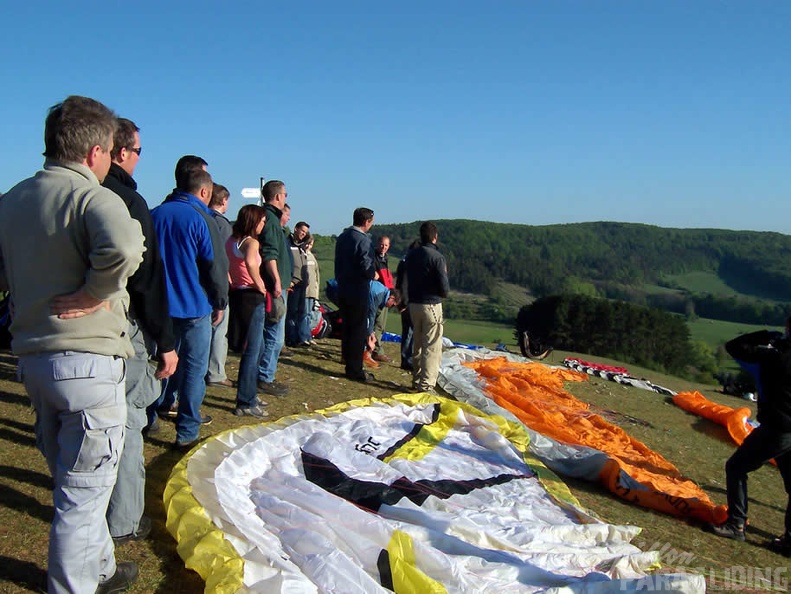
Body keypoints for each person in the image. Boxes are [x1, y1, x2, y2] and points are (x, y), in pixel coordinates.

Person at [0, 95, 145, 593]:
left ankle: (100, 568)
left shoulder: (13, 199)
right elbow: (125, 248)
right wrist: (94, 292)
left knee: (74, 479)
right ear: (95, 152)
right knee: (81, 498)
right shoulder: (94, 197)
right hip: (87, 365)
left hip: (35, 360)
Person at [102, 117, 178, 546]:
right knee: (129, 420)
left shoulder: (45, 197)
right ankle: (125, 518)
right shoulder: (126, 201)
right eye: (138, 152)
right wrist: (165, 342)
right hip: (121, 325)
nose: (137, 160)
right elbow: (146, 278)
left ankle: (89, 507)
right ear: (118, 152)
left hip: (53, 336)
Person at [151, 167, 228, 449]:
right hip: (194, 306)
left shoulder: (155, 213)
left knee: (161, 365)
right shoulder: (201, 219)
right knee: (193, 371)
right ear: (204, 191)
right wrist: (220, 300)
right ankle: (187, 431)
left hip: (160, 307)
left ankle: (150, 415)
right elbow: (214, 265)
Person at [706, 321, 791, 557]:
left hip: (777, 428)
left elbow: (735, 346)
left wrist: (767, 335)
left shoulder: (775, 356)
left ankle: (736, 524)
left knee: (736, 467)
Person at [225, 205, 269, 418]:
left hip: (238, 295)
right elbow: (252, 262)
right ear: (253, 221)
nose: (263, 225)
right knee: (252, 350)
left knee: (255, 347)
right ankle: (245, 400)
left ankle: (250, 392)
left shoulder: (232, 241)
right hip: (252, 297)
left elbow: (227, 265)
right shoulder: (251, 243)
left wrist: (233, 281)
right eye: (261, 221)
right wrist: (260, 284)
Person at [335, 207, 378, 382]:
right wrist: (372, 273)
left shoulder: (343, 237)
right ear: (367, 222)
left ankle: (346, 357)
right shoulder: (364, 240)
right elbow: (366, 264)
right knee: (358, 329)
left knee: (347, 325)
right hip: (358, 288)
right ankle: (355, 369)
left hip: (343, 286)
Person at [256, 181, 291, 397]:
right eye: (285, 194)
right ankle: (264, 376)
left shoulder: (271, 219)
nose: (286, 197)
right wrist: (277, 281)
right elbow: (270, 254)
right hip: (274, 287)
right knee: (275, 334)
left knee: (274, 332)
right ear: (277, 196)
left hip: (279, 284)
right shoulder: (269, 219)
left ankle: (266, 373)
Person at [406, 222, 449, 393]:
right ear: (434, 237)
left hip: (414, 303)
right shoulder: (437, 257)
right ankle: (426, 384)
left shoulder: (411, 255)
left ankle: (416, 379)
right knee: (431, 346)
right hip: (431, 303)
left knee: (417, 343)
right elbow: (444, 288)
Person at [206, 183, 233, 388]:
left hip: (203, 280)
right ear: (223, 201)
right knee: (219, 329)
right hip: (218, 280)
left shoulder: (204, 218)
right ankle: (216, 371)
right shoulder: (222, 224)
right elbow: (223, 256)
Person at [395, 240, 421, 370]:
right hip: (408, 301)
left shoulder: (403, 261)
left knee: (408, 331)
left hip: (405, 299)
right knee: (410, 331)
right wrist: (404, 302)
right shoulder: (408, 264)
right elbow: (404, 283)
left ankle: (407, 358)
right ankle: (407, 359)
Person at [285, 221, 311, 348]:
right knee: (292, 312)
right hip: (293, 283)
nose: (303, 234)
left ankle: (301, 337)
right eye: (302, 231)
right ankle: (291, 338)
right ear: (296, 229)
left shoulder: (302, 246)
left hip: (302, 284)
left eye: (305, 232)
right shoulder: (288, 244)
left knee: (301, 312)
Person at [372, 235, 395, 362]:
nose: (383, 247)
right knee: (378, 324)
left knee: (381, 324)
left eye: (386, 245)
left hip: (385, 295)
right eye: (382, 244)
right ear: (377, 244)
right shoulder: (374, 258)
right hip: (378, 295)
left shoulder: (384, 258)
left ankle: (373, 349)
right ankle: (377, 351)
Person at [304, 234, 321, 339]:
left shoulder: (312, 257)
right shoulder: (302, 255)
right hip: (304, 291)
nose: (308, 246)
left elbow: (316, 275)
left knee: (310, 314)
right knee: (304, 314)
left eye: (310, 244)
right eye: (307, 243)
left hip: (312, 291)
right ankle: (304, 336)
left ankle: (309, 335)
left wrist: (316, 293)